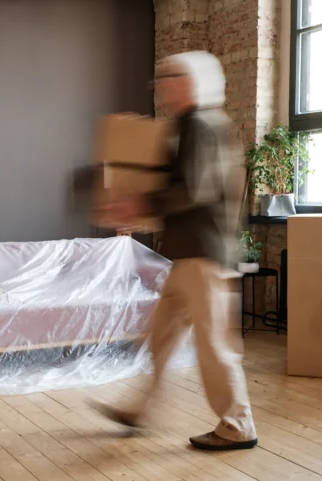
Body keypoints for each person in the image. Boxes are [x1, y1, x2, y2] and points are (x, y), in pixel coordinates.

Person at [94, 51, 257, 451]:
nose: (161, 86)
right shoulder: (184, 127)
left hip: (203, 256)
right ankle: (141, 409)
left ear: (190, 83)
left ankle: (238, 426)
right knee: (161, 339)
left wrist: (140, 205)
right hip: (186, 254)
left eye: (169, 78)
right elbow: (166, 178)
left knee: (213, 346)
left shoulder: (201, 125)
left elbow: (194, 189)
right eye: (160, 78)